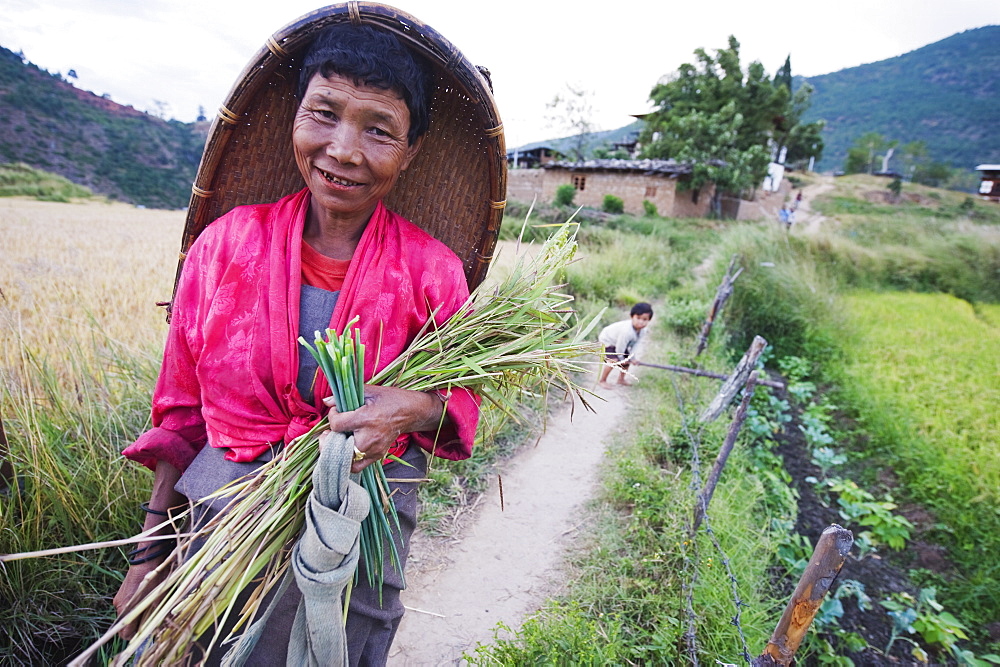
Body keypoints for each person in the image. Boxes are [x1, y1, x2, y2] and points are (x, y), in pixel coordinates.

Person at [112, 22, 480, 665]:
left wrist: (412, 408)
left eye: (378, 129)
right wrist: (149, 555)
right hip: (223, 535)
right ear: (296, 116)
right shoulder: (224, 248)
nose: (342, 149)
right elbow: (179, 414)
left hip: (360, 532)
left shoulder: (432, 273)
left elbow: (459, 397)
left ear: (410, 151)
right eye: (325, 114)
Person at [597, 302, 653, 388]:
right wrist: (622, 359)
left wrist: (632, 358)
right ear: (631, 316)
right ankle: (602, 380)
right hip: (608, 340)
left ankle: (621, 379)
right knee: (614, 360)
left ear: (649, 320)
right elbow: (620, 347)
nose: (641, 322)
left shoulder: (643, 330)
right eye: (638, 318)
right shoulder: (626, 331)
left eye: (645, 319)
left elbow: (636, 344)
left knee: (628, 360)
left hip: (619, 342)